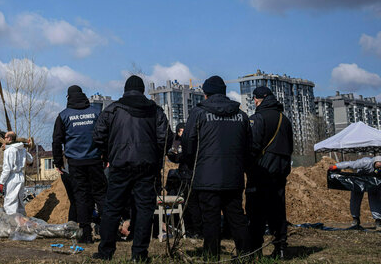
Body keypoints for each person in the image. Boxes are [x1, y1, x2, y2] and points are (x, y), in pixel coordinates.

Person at [92, 75, 169, 262]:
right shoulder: (156, 110)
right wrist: (156, 158)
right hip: (147, 167)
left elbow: (97, 135)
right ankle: (139, 255)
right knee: (144, 210)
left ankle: (105, 252)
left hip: (120, 165)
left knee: (112, 208)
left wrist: (108, 154)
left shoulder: (113, 110)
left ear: (125, 89)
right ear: (142, 90)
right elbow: (164, 139)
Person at [181, 75, 252, 260]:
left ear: (206, 94)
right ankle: (246, 255)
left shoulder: (198, 113)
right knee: (237, 218)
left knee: (210, 220)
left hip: (206, 177)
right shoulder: (241, 116)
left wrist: (191, 164)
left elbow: (188, 143)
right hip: (233, 177)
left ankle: (211, 257)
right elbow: (248, 147)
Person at [52, 85, 106, 243]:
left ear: (68, 97)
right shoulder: (96, 113)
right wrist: (107, 157)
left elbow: (57, 141)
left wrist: (58, 162)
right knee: (101, 196)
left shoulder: (63, 116)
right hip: (96, 161)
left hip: (75, 163)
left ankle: (86, 235)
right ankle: (109, 232)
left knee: (81, 198)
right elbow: (105, 135)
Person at [245, 86, 293, 259]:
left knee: (255, 212)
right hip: (280, 172)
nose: (255, 102)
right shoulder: (284, 119)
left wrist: (247, 165)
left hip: (260, 172)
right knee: (278, 210)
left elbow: (253, 146)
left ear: (261, 99)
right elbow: (290, 147)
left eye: (255, 99)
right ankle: (281, 249)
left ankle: (254, 250)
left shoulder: (258, 118)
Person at [330, 155, 381, 231]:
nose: (378, 169)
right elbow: (350, 164)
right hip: (360, 179)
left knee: (375, 199)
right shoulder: (365, 162)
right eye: (377, 167)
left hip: (374, 180)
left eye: (380, 167)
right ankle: (355, 219)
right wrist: (336, 166)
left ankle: (378, 222)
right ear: (374, 163)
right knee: (355, 198)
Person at [0, 131, 34, 215]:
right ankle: (21, 222)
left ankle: (12, 223)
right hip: (21, 176)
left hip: (12, 178)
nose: (4, 139)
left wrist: (1, 182)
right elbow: (30, 160)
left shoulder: (9, 150)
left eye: (5, 137)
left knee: (10, 201)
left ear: (9, 138)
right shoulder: (22, 149)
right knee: (20, 201)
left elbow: (7, 169)